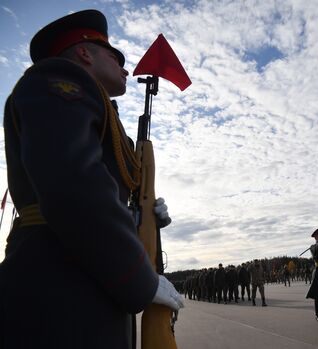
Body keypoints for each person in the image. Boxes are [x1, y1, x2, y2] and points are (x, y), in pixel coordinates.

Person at [0, 9, 183, 348]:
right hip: (58, 284)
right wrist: (141, 279)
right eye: (116, 58)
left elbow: (103, 189)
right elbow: (74, 186)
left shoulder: (102, 113)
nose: (126, 68)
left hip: (90, 275)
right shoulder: (56, 79)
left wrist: (143, 217)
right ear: (84, 53)